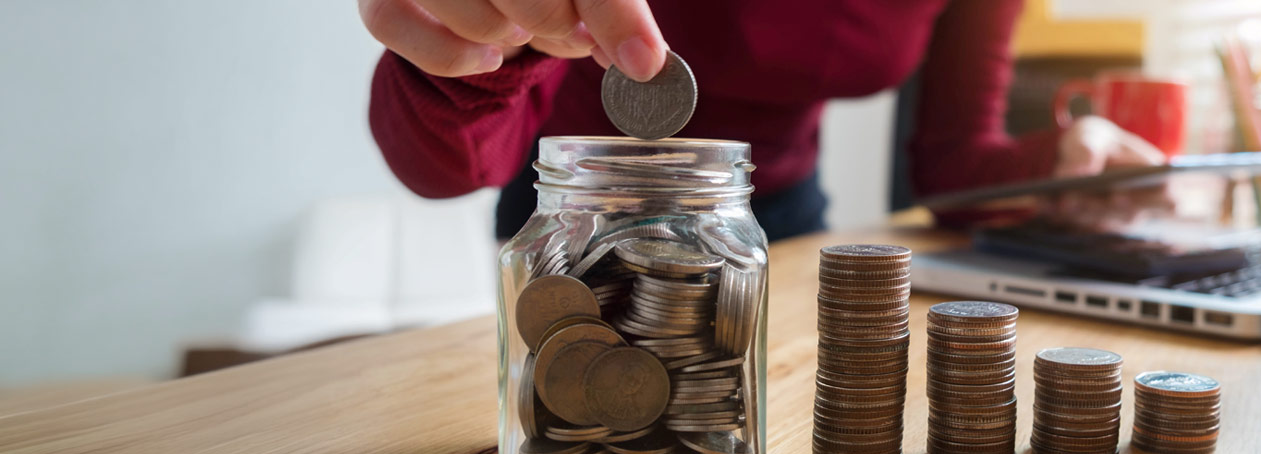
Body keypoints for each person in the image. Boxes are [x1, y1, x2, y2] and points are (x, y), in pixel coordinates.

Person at [361, 0, 1168, 240]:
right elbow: (449, 166)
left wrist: (1063, 156)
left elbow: (952, 166)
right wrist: (479, 48)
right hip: (580, 218)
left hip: (779, 220)